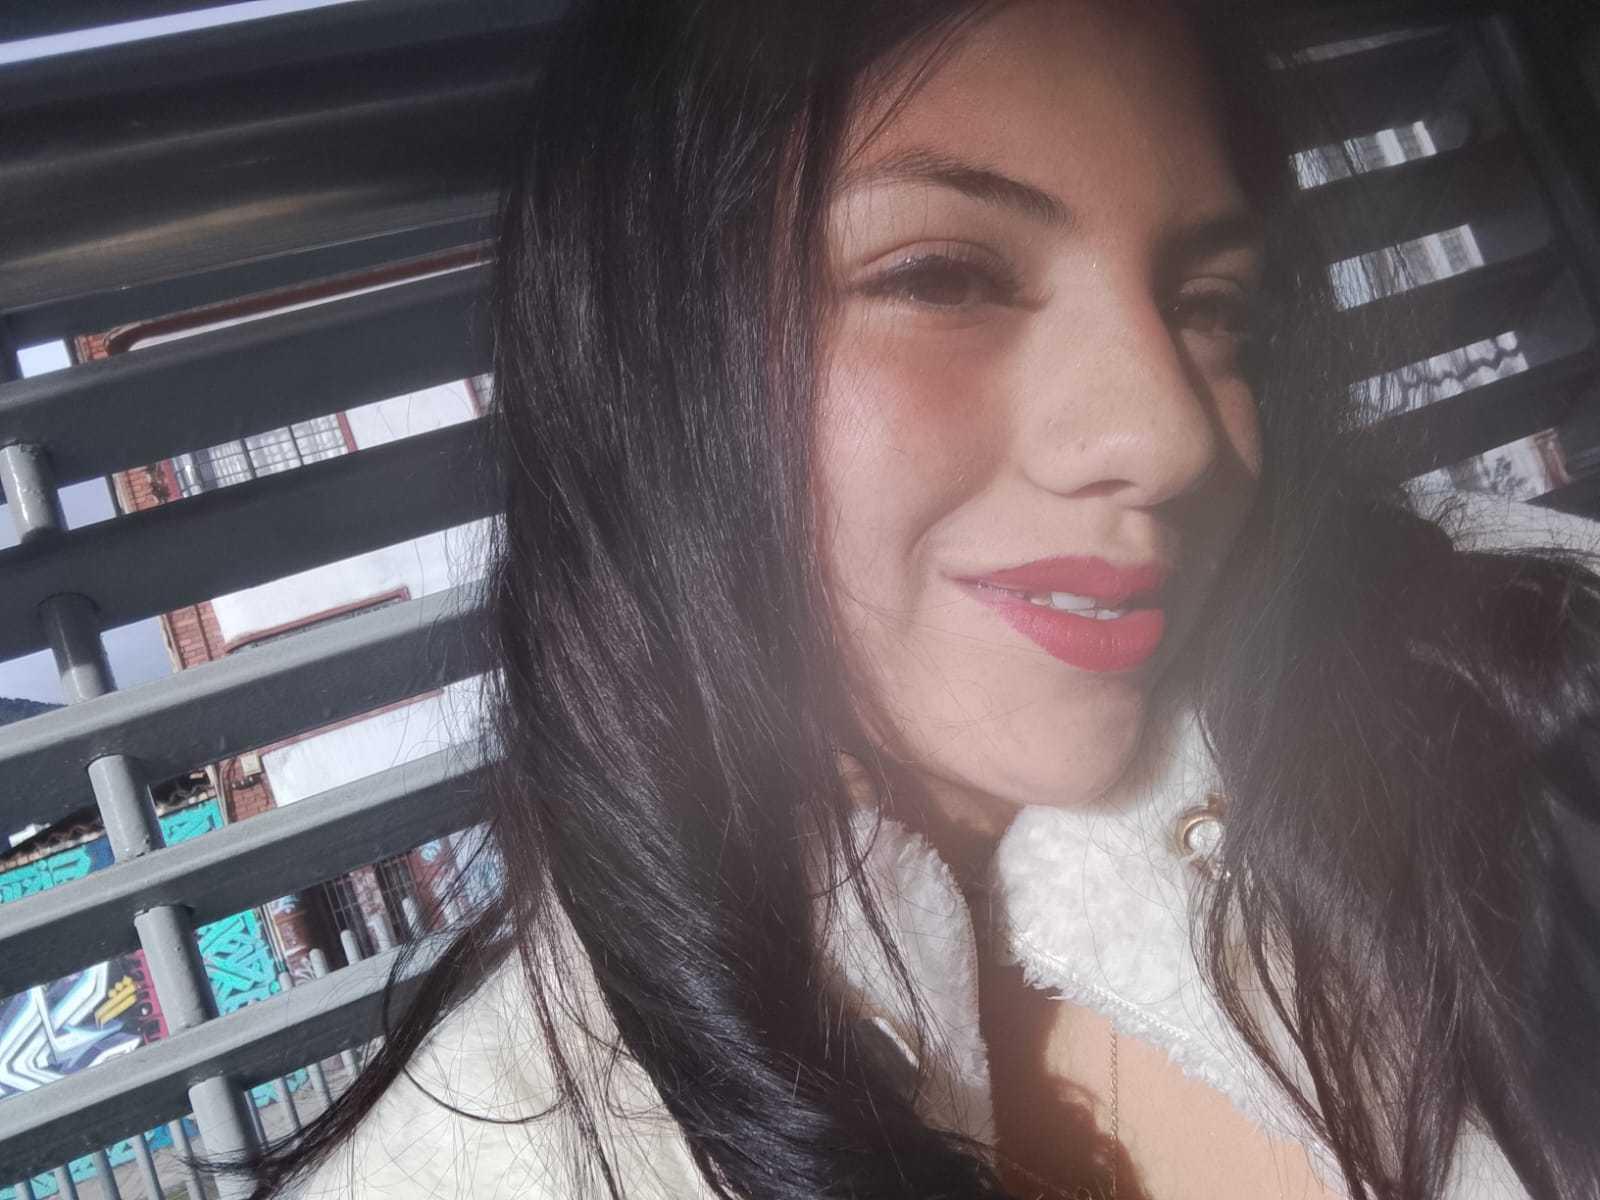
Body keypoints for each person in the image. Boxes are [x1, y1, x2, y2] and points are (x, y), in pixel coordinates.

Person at [254, 1, 1600, 1197]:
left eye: (1213, 307)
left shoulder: (1509, 672)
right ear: (648, 372)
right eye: (941, 278)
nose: (1172, 432)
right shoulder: (475, 1162)